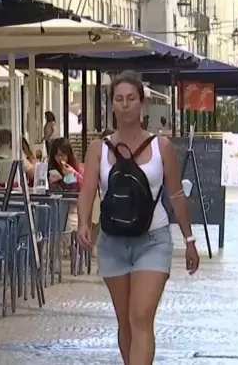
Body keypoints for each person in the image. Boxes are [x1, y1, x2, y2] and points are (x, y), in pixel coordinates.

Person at [77, 71, 198, 365]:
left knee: (140, 316)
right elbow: (88, 189)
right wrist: (83, 223)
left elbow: (176, 194)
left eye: (131, 98)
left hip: (153, 241)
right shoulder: (98, 148)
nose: (125, 104)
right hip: (112, 243)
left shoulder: (161, 147)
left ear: (142, 103)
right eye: (119, 99)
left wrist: (189, 239)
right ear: (112, 105)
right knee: (125, 321)